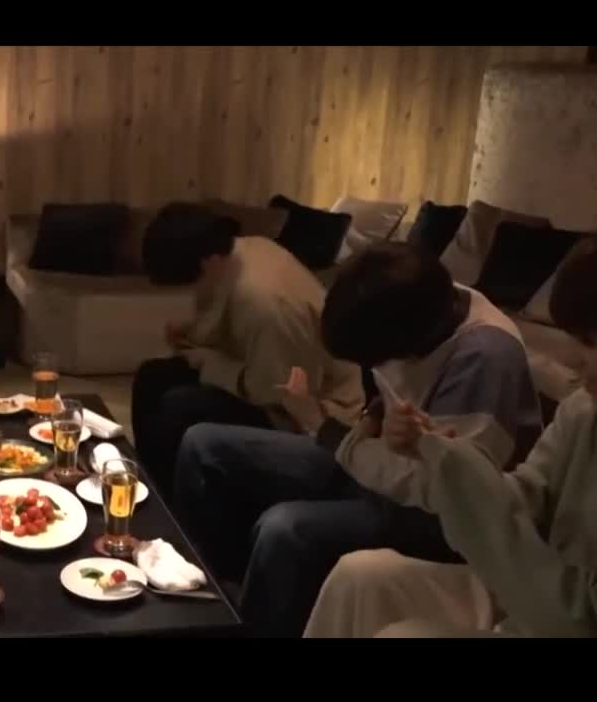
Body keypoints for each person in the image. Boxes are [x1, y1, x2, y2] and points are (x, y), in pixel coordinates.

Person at [173, 241, 543, 637]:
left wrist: (326, 429)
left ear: (407, 341)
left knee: (285, 529)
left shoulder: (484, 359)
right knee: (205, 446)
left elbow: (441, 491)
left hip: (443, 518)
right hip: (379, 463)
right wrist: (368, 421)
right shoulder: (424, 300)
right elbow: (387, 392)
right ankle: (214, 600)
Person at [304, 237, 597, 638]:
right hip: (529, 591)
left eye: (591, 343)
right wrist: (435, 452)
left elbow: (576, 617)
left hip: (563, 613)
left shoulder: (485, 356)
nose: (575, 362)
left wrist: (447, 467)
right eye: (577, 341)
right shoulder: (582, 410)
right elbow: (525, 499)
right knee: (359, 575)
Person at [131, 203, 363, 495]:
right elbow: (225, 317)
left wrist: (207, 362)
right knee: (152, 376)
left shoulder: (265, 304)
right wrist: (192, 332)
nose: (191, 292)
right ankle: (147, 484)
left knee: (179, 406)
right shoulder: (245, 249)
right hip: (263, 367)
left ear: (206, 263)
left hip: (309, 409)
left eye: (189, 284)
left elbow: (275, 391)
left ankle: (171, 502)